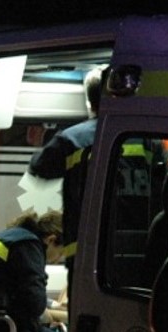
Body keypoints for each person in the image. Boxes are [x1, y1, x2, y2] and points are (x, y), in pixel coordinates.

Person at [28, 64, 107, 288]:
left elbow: (39, 168)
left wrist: (49, 136)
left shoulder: (73, 139)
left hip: (84, 253)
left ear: (90, 102)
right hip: (133, 253)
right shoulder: (145, 138)